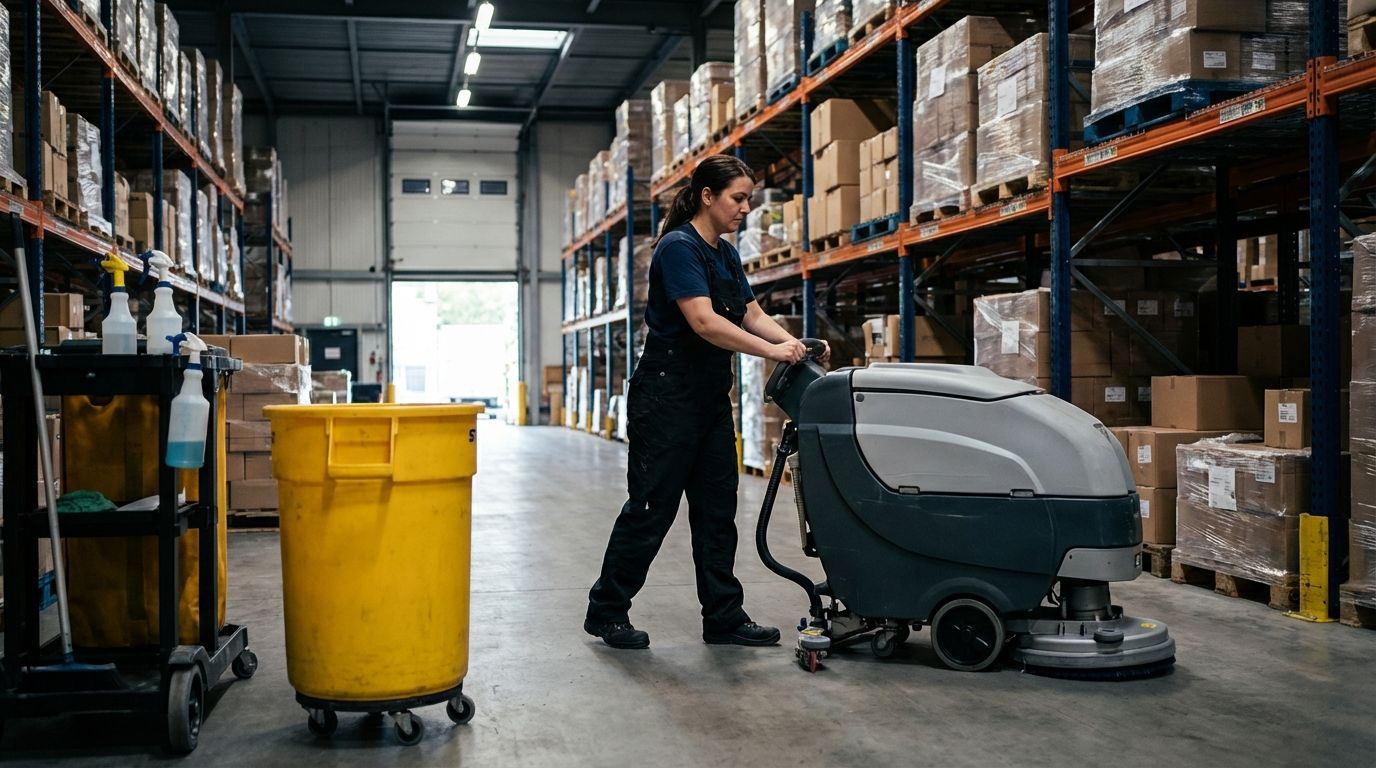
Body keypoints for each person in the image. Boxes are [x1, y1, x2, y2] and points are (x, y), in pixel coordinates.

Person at [584, 154, 830, 650]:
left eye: (748, 199)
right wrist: (772, 351)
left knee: (718, 511)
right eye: (738, 198)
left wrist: (796, 349)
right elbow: (704, 321)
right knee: (652, 508)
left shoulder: (725, 254)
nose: (744, 208)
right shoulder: (679, 248)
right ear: (707, 196)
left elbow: (751, 313)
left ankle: (723, 617)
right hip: (666, 397)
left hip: (710, 400)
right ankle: (606, 611)